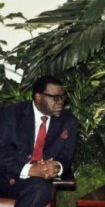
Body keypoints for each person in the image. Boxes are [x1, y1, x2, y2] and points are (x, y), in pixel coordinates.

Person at [0, 76, 78, 207]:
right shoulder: (11, 113)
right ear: (38, 97)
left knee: (41, 189)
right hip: (4, 176)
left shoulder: (68, 121)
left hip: (32, 184)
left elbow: (65, 157)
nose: (60, 102)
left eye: (62, 97)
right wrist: (29, 169)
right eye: (54, 97)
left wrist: (57, 166)